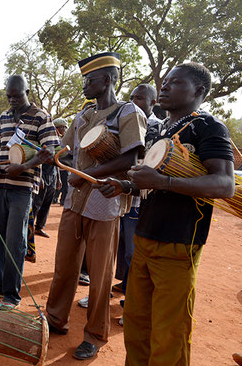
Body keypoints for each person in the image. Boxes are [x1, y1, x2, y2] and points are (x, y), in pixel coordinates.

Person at [96, 63, 235, 366]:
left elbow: (225, 184)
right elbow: (151, 185)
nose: (165, 87)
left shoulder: (209, 127)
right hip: (144, 239)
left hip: (179, 244)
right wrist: (125, 185)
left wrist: (164, 181)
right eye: (165, 81)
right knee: (136, 324)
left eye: (176, 83)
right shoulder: (159, 129)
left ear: (199, 91)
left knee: (168, 333)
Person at [45, 52, 147, 360]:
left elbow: (131, 158)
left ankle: (95, 334)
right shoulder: (83, 114)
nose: (85, 85)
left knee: (101, 273)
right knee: (65, 265)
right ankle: (55, 318)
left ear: (108, 80)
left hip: (105, 204)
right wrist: (52, 155)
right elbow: (66, 148)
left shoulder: (128, 112)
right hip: (74, 201)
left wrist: (87, 176)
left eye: (90, 80)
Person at [0, 75, 60, 309]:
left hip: (23, 188)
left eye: (17, 95)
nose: (12, 100)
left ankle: (12, 295)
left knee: (15, 240)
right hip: (0, 184)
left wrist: (23, 167)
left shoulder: (41, 117)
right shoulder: (4, 116)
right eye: (9, 96)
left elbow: (50, 151)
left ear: (27, 91)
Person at [114, 84, 161, 298]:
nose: (134, 102)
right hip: (120, 195)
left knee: (134, 252)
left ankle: (132, 299)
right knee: (121, 249)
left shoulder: (158, 129)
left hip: (139, 200)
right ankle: (125, 285)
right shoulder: (124, 122)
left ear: (153, 102)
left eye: (140, 98)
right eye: (132, 97)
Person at [52, 118, 70, 205]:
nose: (64, 130)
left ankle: (63, 201)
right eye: (61, 127)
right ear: (56, 128)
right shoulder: (54, 140)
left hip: (65, 168)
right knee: (57, 185)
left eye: (65, 128)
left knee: (66, 186)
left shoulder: (66, 140)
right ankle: (54, 198)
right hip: (56, 167)